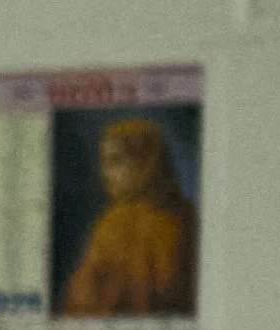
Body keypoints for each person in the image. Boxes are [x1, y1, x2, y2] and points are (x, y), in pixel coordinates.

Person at [58, 116, 197, 317]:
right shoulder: (114, 222)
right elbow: (82, 299)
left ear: (146, 161)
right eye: (103, 163)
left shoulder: (185, 219)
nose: (105, 174)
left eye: (116, 161)